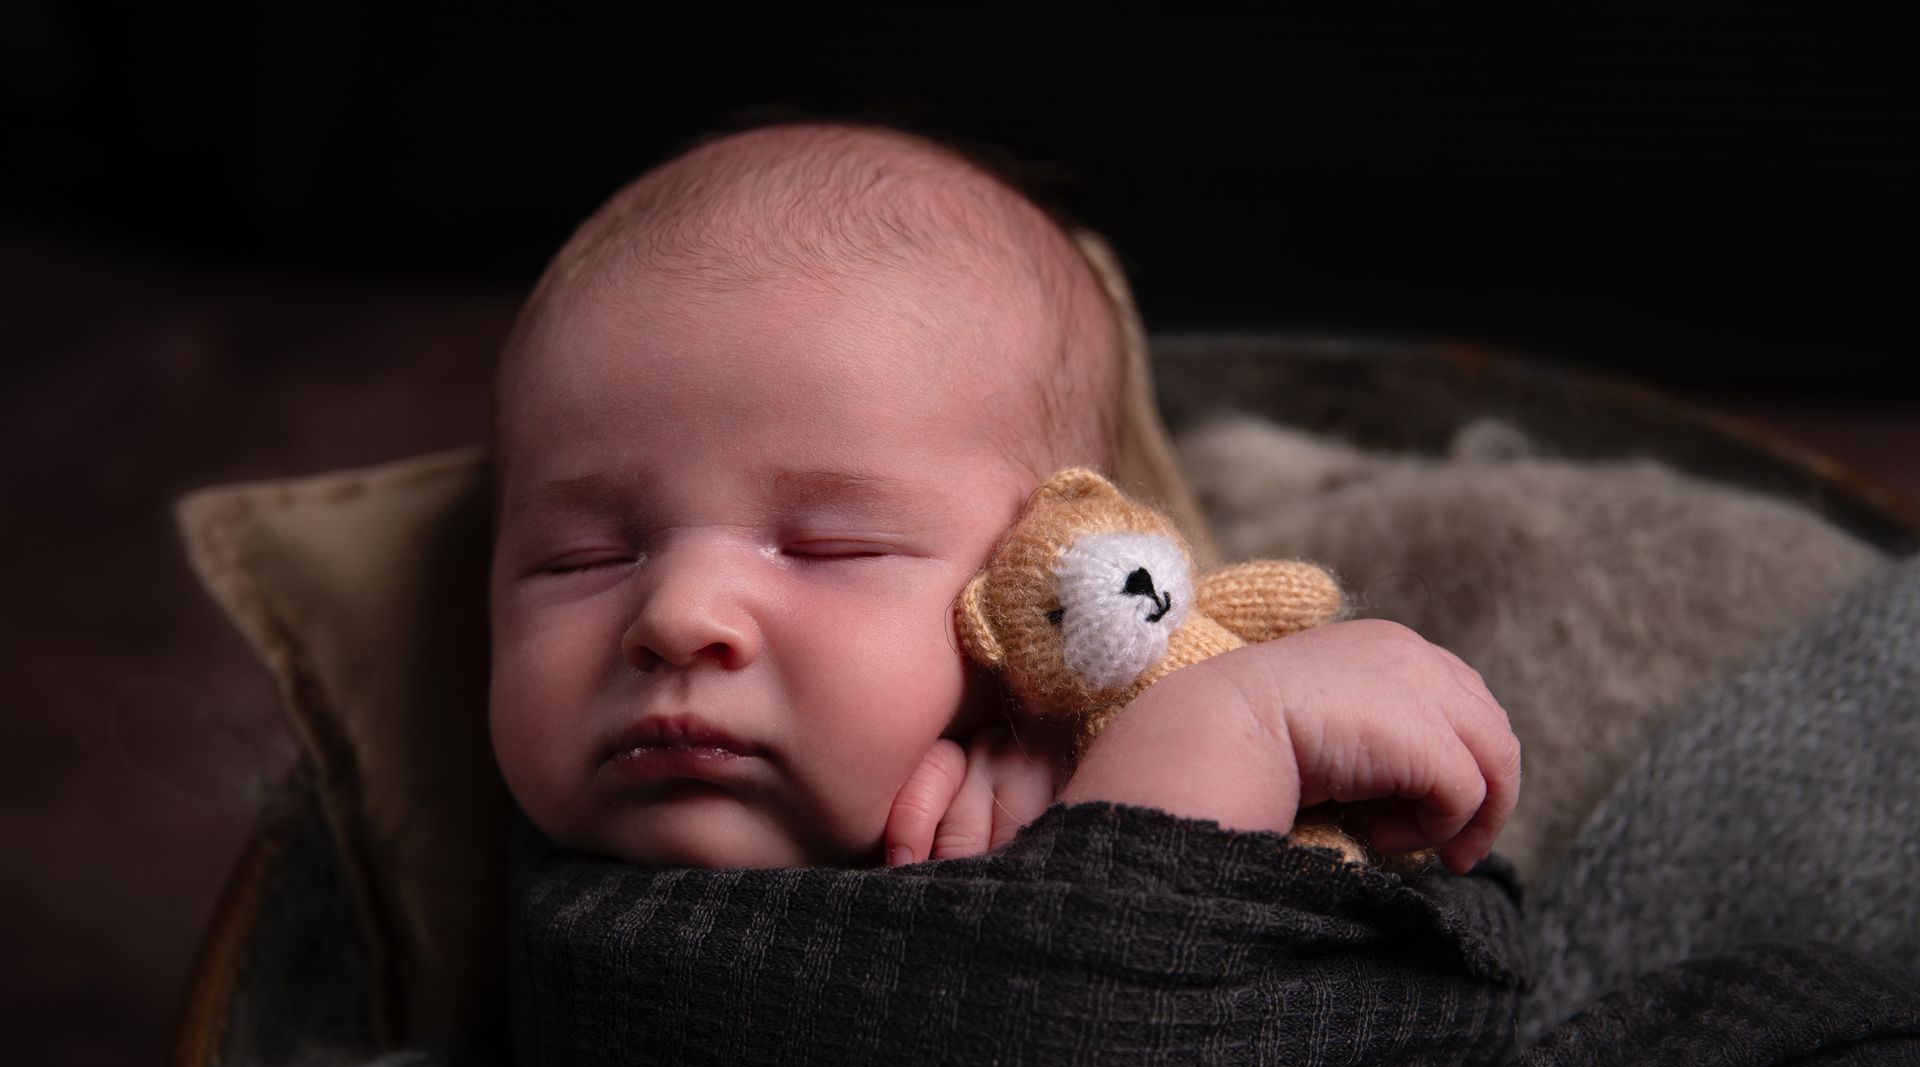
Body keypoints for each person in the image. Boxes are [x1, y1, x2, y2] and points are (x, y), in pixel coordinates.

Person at [486, 120, 1520, 878]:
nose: (674, 614)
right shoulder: (613, 919)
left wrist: (1086, 773)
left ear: (1044, 585)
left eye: (828, 545)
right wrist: (1222, 742)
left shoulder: (1046, 752)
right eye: (580, 558)